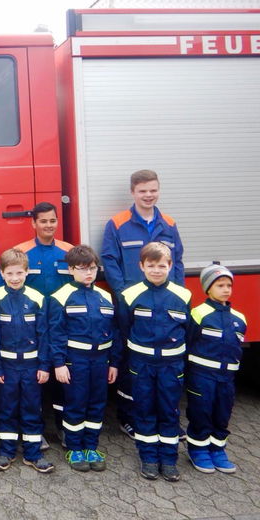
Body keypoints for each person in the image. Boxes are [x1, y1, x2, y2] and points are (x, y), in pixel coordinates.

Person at [101, 169, 185, 440]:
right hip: (133, 304)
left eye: (153, 190)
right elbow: (109, 259)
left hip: (165, 302)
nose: (148, 195)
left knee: (167, 363)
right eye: (143, 191)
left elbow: (179, 260)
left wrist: (178, 291)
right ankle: (129, 417)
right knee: (131, 361)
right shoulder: (117, 223)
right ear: (133, 192)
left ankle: (167, 419)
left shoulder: (169, 223)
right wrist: (124, 292)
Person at [117, 242, 191, 482]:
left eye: (162, 265)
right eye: (151, 265)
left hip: (171, 365)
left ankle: (169, 459)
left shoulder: (183, 295)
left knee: (169, 410)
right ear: (141, 266)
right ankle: (148, 457)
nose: (156, 270)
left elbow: (187, 331)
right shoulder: (130, 295)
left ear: (170, 266)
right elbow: (125, 328)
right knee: (145, 409)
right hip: (142, 364)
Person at [48, 245, 121, 472]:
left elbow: (115, 332)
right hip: (75, 361)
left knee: (97, 404)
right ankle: (74, 447)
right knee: (76, 404)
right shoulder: (60, 297)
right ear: (71, 270)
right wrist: (59, 363)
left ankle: (91, 446)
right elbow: (55, 333)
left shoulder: (105, 296)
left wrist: (114, 363)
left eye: (92, 268)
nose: (88, 273)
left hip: (101, 361)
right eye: (82, 269)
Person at [0, 248, 53, 473]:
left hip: (32, 366)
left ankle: (33, 453)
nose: (15, 278)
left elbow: (44, 334)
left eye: (19, 273)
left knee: (32, 407)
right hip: (7, 367)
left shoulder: (37, 298)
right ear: (2, 273)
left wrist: (44, 365)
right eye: (10, 273)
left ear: (27, 272)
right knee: (7, 408)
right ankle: (6, 451)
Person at [14, 201, 73, 448]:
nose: (49, 225)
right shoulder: (21, 252)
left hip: (62, 326)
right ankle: (33, 431)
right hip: (32, 327)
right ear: (33, 223)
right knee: (32, 381)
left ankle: (63, 427)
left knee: (64, 379)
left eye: (52, 220)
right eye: (43, 221)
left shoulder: (69, 251)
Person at [186, 265, 246, 474]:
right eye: (220, 285)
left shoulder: (239, 319)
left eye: (229, 285)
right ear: (207, 288)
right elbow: (189, 341)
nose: (226, 289)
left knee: (222, 413)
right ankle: (198, 450)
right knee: (201, 411)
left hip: (226, 378)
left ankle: (218, 449)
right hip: (202, 376)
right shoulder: (199, 314)